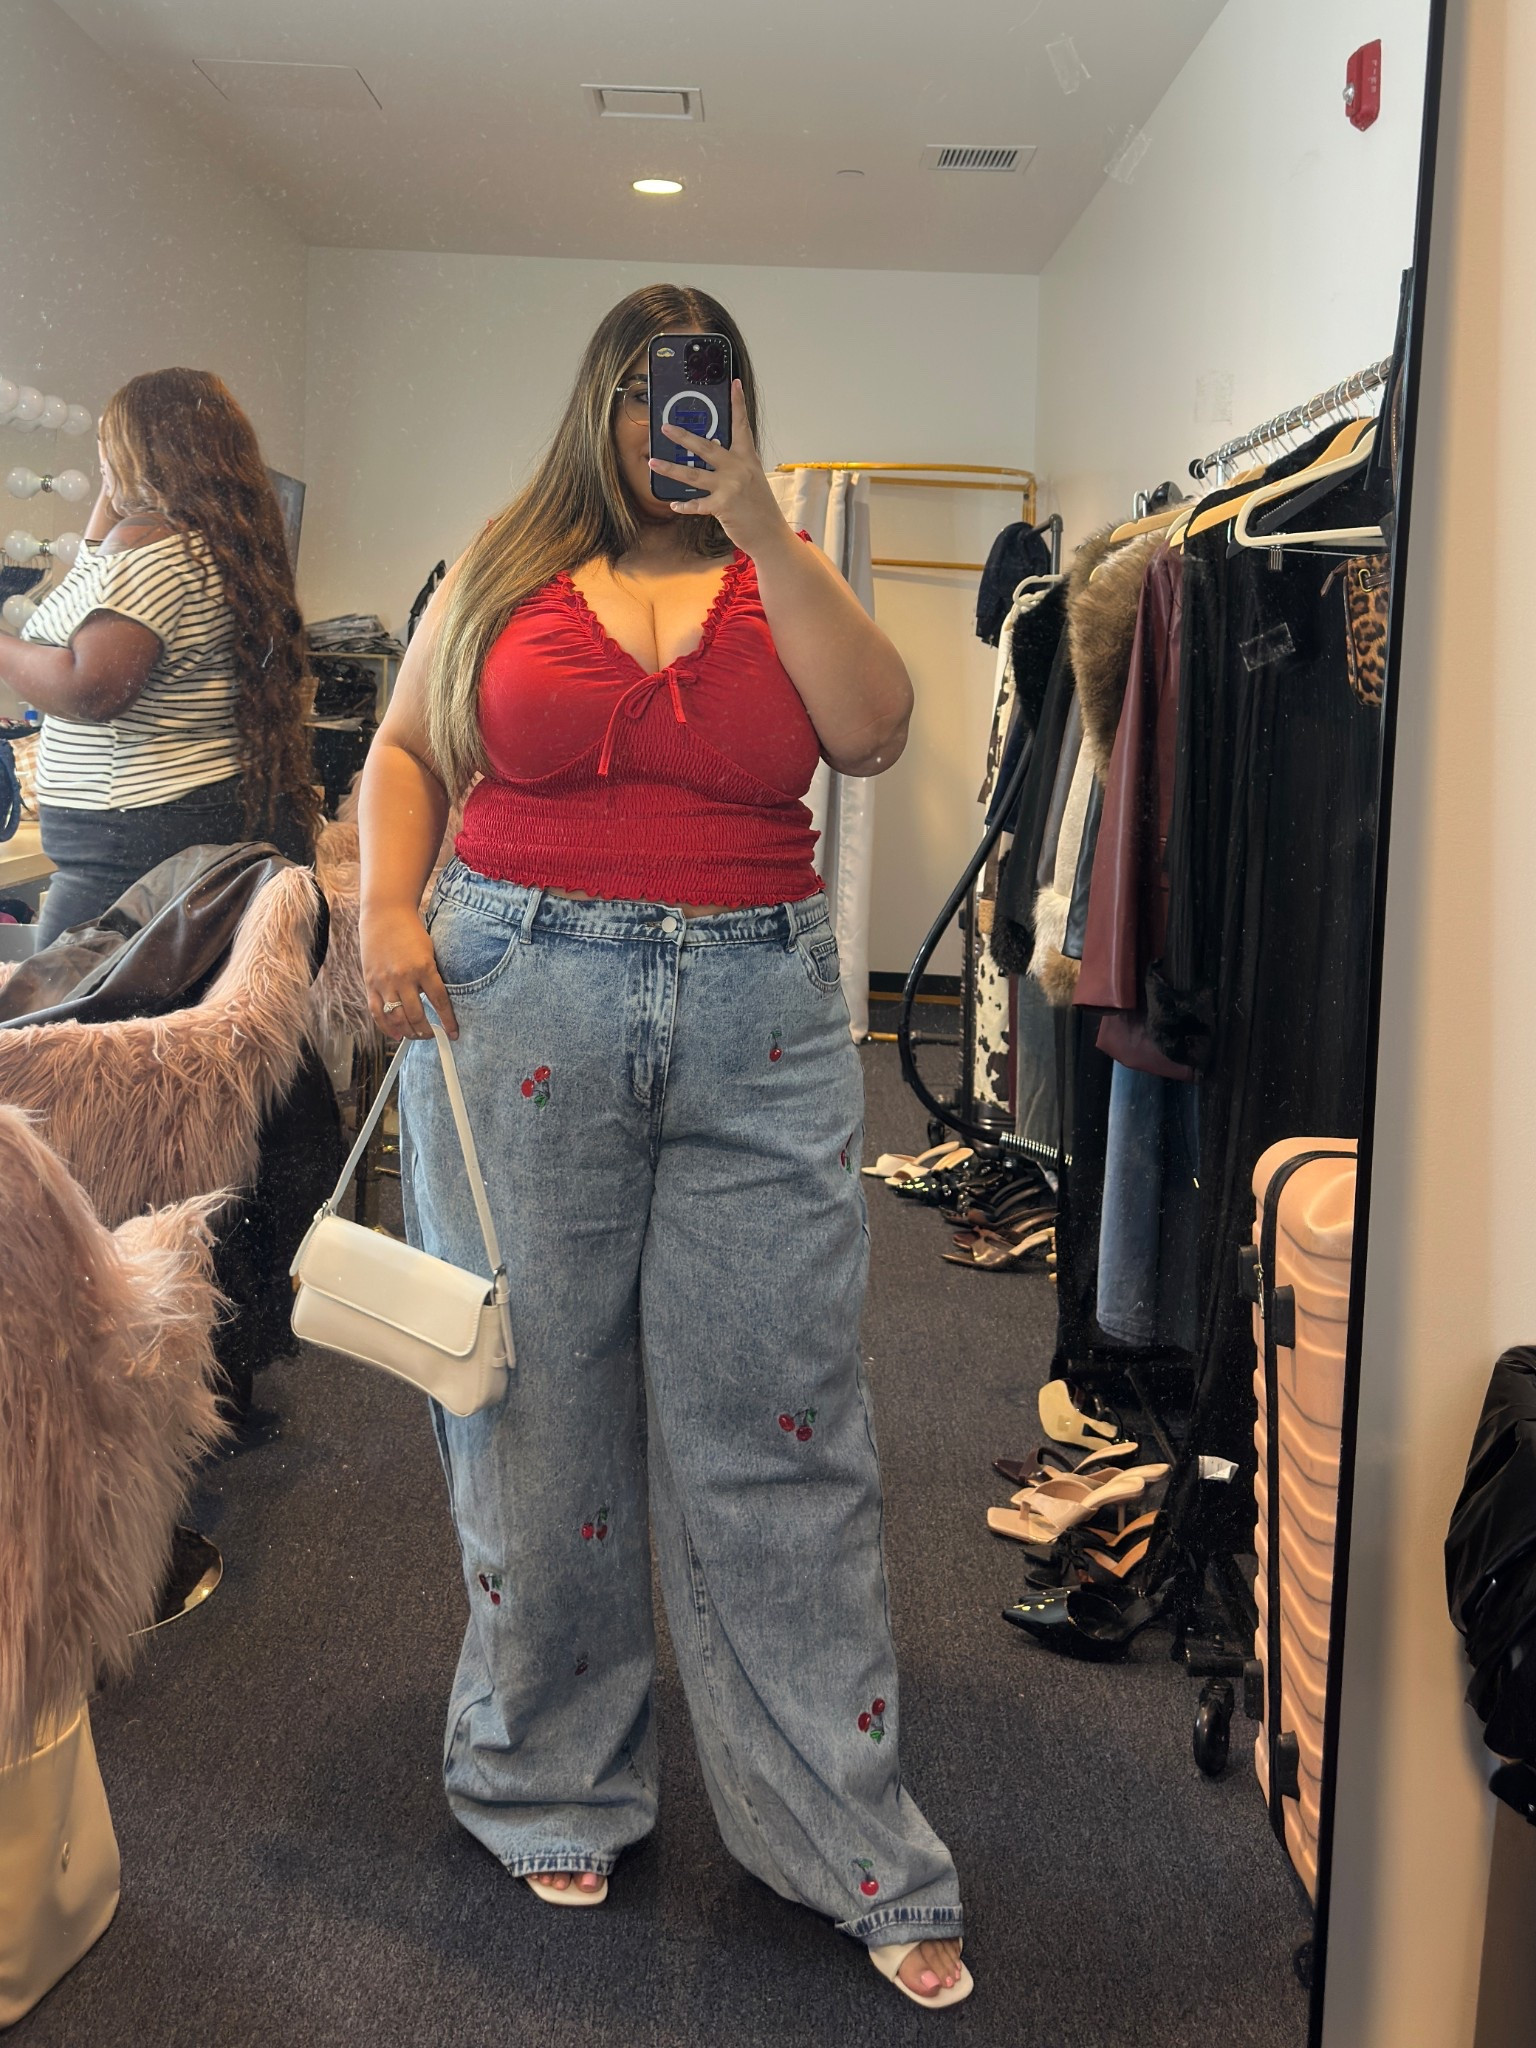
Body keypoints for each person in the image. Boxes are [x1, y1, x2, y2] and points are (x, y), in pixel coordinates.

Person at [356, 284, 970, 2008]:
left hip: (758, 1015)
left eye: (699, 391)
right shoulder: (504, 559)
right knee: (534, 1406)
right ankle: (545, 1772)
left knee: (784, 1419)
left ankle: (845, 1833)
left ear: (741, 407)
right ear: (595, 405)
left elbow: (873, 729)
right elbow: (405, 748)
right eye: (639, 392)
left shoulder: (784, 565)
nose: (666, 421)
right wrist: (387, 905)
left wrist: (762, 519)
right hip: (515, 993)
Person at [4, 368, 317, 944]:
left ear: (146, 452)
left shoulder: (153, 545)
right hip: (163, 826)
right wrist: (119, 480)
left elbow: (89, 688)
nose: (101, 459)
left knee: (63, 1001)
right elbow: (95, 572)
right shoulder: (199, 544)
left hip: (130, 840)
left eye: (110, 444)